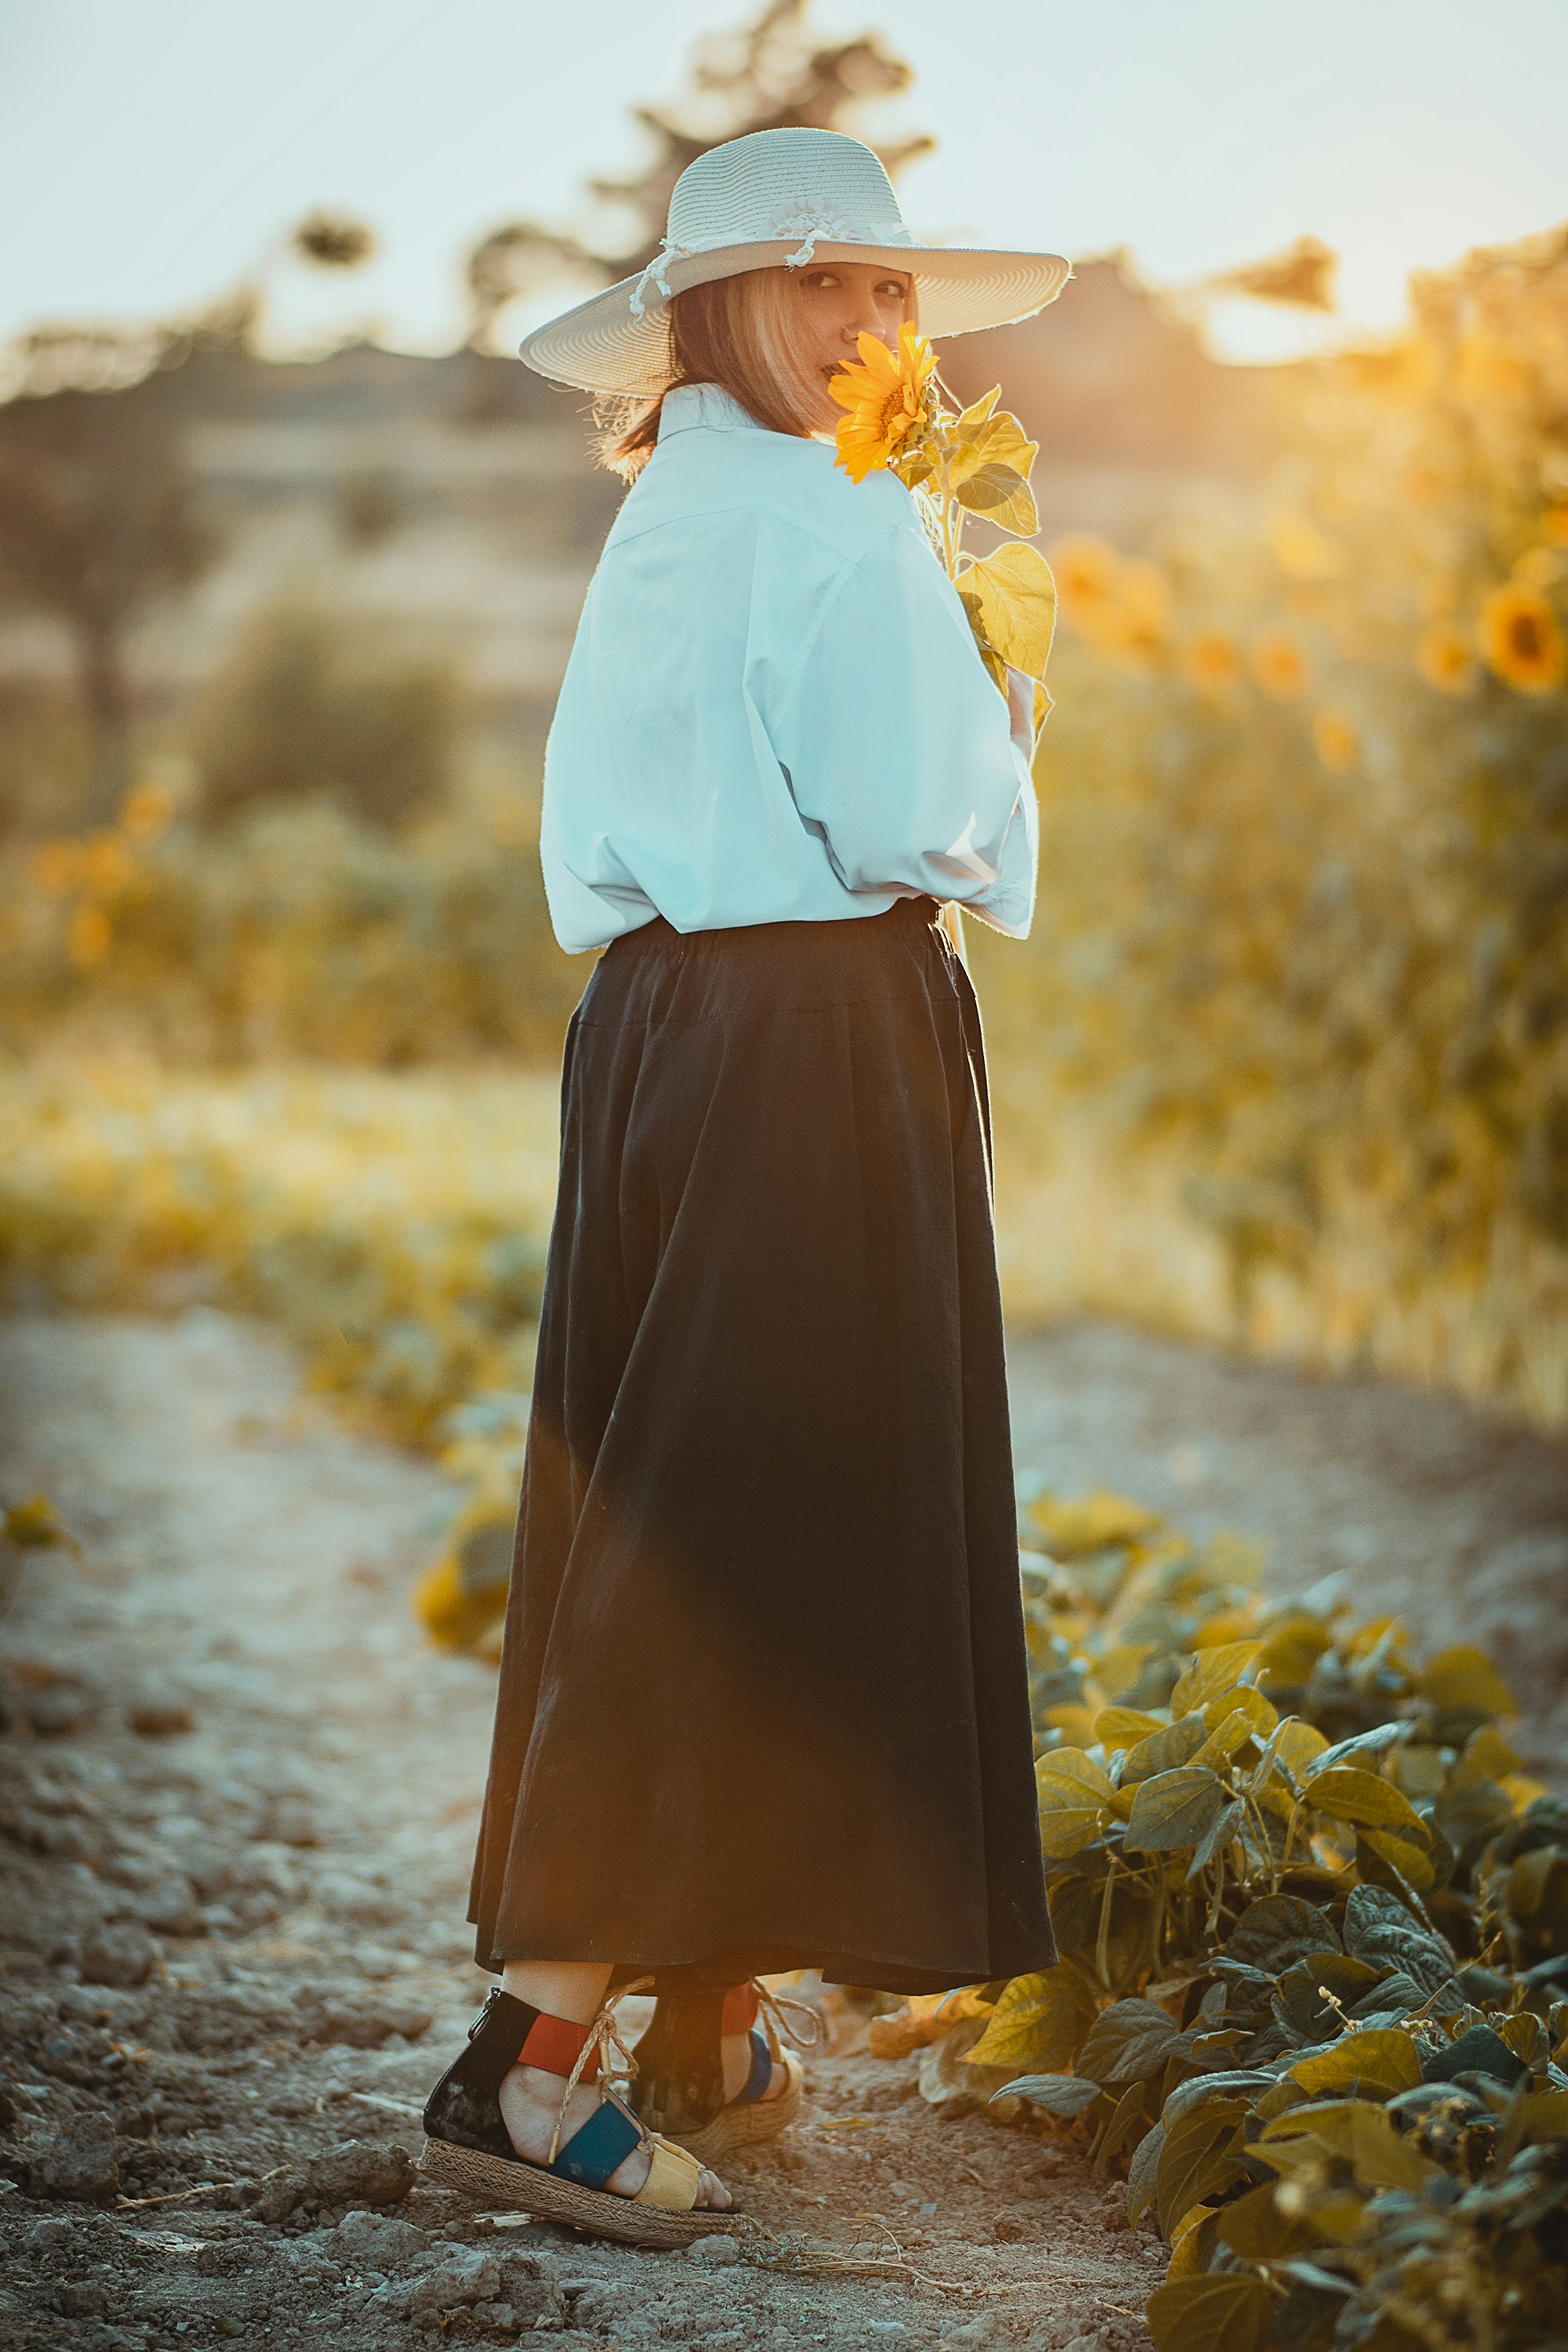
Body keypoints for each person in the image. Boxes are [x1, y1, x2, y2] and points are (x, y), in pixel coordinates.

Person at [421, 125, 1071, 2247]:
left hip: (669, 1037)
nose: (872, 323)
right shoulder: (831, 511)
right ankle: (523, 2068)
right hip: (805, 1040)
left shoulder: (688, 498)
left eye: (886, 291)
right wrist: (1004, 684)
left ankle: (707, 2032)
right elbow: (924, 817)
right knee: (736, 1503)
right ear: (713, 310)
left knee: (700, 1472)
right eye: (825, 286)